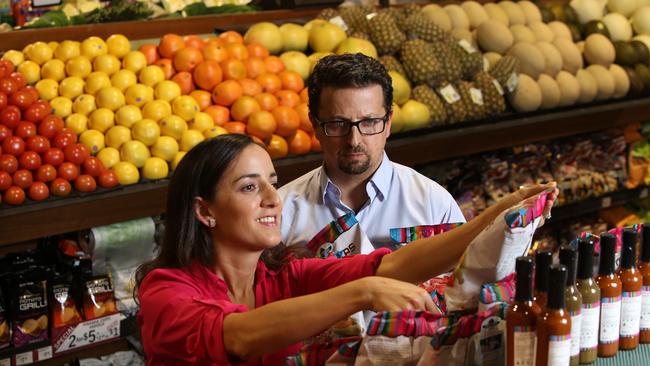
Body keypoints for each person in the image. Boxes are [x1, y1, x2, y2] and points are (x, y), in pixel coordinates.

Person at [136, 134, 554, 365]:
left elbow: (395, 264)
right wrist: (363, 292)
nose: (272, 197)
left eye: (271, 180)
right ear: (204, 211)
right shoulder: (165, 292)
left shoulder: (282, 275)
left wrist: (496, 214)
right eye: (249, 187)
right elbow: (237, 337)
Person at [279, 54, 466, 256]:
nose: (354, 140)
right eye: (338, 124)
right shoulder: (282, 212)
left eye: (369, 122)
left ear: (388, 123)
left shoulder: (433, 203)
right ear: (315, 125)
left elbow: (462, 281)